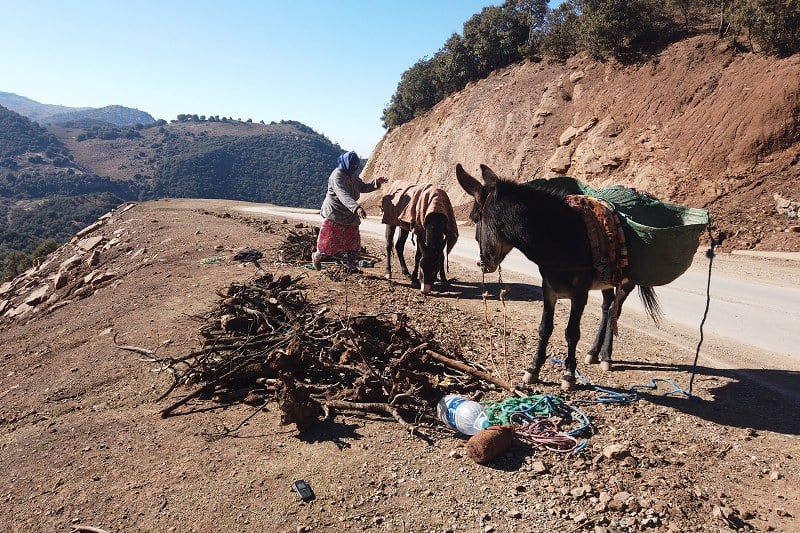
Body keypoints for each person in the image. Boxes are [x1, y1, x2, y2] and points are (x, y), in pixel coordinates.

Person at [312, 150, 388, 271]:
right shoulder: (336, 176)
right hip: (334, 213)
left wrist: (376, 183)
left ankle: (350, 265)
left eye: (356, 166)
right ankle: (317, 256)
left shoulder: (352, 175)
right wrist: (357, 208)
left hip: (350, 215)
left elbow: (362, 187)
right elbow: (343, 195)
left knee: (353, 242)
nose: (354, 167)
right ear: (346, 163)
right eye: (352, 165)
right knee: (328, 243)